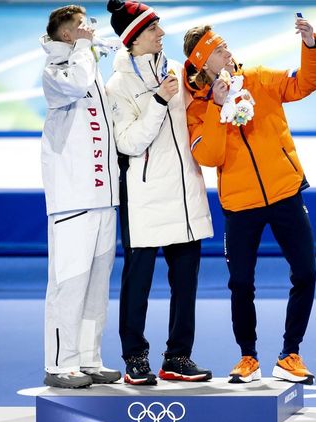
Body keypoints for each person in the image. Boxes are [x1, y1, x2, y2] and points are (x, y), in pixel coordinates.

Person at [182, 16, 316, 384]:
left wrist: (311, 45)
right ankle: (248, 357)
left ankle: (290, 353)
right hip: (240, 205)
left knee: (306, 273)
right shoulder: (197, 108)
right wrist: (216, 107)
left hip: (284, 192)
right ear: (203, 64)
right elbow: (209, 156)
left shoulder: (260, 79)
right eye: (217, 49)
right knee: (241, 283)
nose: (227, 51)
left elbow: (307, 82)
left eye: (225, 44)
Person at [105, 0, 214, 385]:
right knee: (138, 285)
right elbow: (129, 143)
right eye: (153, 29)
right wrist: (157, 102)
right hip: (145, 199)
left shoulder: (175, 71)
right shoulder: (117, 86)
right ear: (133, 38)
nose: (162, 33)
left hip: (185, 197)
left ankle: (178, 357)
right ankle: (135, 357)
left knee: (186, 285)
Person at [40, 4, 121, 388]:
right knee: (69, 283)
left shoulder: (88, 65)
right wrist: (87, 50)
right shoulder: (57, 71)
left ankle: (89, 358)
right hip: (72, 198)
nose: (90, 29)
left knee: (96, 286)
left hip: (104, 197)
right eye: (82, 26)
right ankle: (60, 363)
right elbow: (74, 83)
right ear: (68, 35)